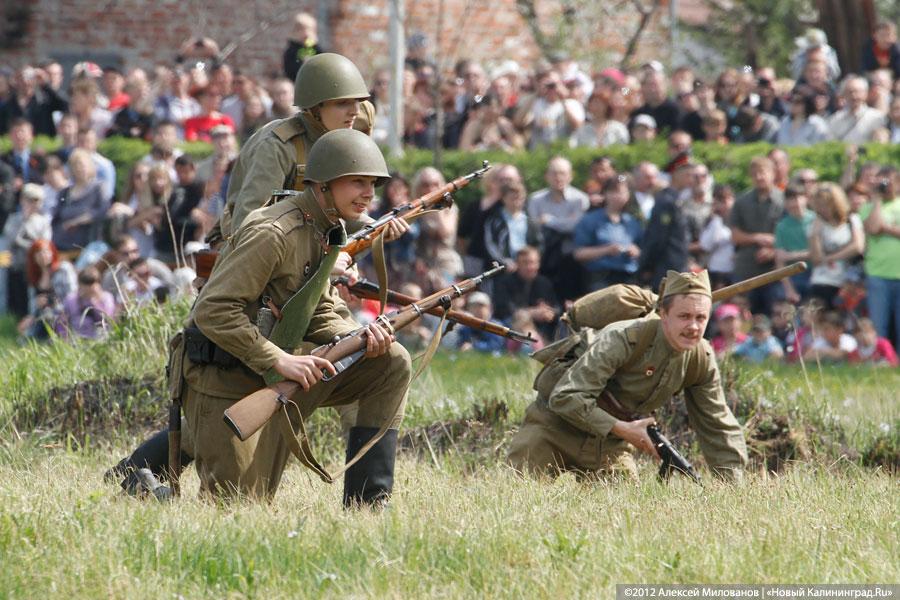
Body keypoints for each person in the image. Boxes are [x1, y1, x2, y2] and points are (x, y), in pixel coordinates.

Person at [178, 129, 411, 502]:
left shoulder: (326, 227)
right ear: (323, 185)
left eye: (372, 183)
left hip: (276, 371)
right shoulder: (274, 232)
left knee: (390, 360)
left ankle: (369, 503)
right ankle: (143, 484)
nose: (369, 193)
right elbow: (214, 311)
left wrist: (359, 337)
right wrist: (280, 359)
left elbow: (317, 307)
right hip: (224, 376)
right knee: (237, 510)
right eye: (357, 182)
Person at [507, 270, 747, 481]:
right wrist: (626, 430)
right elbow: (566, 397)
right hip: (553, 429)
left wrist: (734, 488)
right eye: (684, 316)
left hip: (608, 444)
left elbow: (717, 424)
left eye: (700, 318)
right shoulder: (622, 338)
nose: (693, 327)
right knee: (516, 499)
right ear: (663, 314)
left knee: (625, 513)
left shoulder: (700, 357)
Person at [214, 53, 375, 243]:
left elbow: (332, 210)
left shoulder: (342, 134)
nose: (354, 111)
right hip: (265, 252)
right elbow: (248, 225)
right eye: (342, 103)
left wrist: (370, 226)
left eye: (357, 102)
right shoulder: (278, 147)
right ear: (315, 108)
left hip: (316, 247)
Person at [729, 156, 785, 315]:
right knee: (743, 314)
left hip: (776, 269)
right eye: (754, 174)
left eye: (763, 172)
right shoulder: (741, 201)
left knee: (775, 314)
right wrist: (757, 238)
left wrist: (774, 249)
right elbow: (735, 236)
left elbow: (791, 234)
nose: (759, 177)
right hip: (746, 269)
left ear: (773, 173)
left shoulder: (784, 200)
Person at [573, 176, 642, 291]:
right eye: (613, 192)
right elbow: (579, 253)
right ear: (605, 194)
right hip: (601, 278)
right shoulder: (590, 220)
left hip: (628, 277)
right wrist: (606, 250)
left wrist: (636, 251)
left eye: (621, 192)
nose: (617, 196)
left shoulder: (632, 222)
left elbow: (644, 250)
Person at [859, 167, 900, 348]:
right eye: (882, 181)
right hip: (877, 273)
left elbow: (880, 228)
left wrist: (887, 228)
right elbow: (874, 228)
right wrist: (876, 199)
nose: (886, 186)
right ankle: (879, 361)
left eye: (889, 181)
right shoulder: (867, 207)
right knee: (878, 324)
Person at [807, 183, 865, 309]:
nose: (823, 209)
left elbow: (857, 246)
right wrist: (815, 235)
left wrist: (830, 258)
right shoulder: (816, 224)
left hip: (849, 281)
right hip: (823, 280)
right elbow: (816, 259)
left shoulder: (852, 220)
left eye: (826, 204)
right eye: (819, 205)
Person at [491, 246, 559, 343]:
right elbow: (504, 309)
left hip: (542, 328)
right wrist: (531, 313)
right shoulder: (505, 282)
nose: (529, 267)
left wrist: (550, 312)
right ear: (517, 264)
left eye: (532, 263)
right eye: (525, 263)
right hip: (512, 326)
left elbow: (556, 306)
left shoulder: (544, 283)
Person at [774, 185, 814, 303]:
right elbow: (780, 260)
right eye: (791, 199)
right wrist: (789, 289)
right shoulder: (782, 226)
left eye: (799, 197)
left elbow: (818, 253)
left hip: (817, 272)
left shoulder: (816, 220)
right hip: (793, 275)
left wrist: (791, 255)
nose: (796, 202)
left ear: (806, 198)